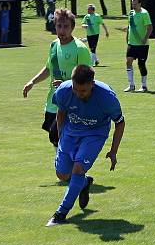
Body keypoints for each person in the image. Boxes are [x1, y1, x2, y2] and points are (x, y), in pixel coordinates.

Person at [46, 65, 125, 226]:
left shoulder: (107, 97)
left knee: (78, 169)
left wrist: (113, 151)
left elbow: (120, 122)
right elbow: (61, 112)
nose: (78, 94)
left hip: (95, 133)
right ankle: (83, 182)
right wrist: (61, 136)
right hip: (71, 131)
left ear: (92, 84)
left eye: (83, 91)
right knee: (62, 175)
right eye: (75, 89)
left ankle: (61, 213)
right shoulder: (64, 90)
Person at [23, 8, 93, 148]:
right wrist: (33, 82)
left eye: (66, 26)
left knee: (63, 138)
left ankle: (66, 168)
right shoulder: (54, 45)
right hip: (53, 101)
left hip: (72, 103)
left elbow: (88, 78)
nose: (62, 30)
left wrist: (66, 84)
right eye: (59, 26)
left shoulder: (80, 49)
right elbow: (49, 68)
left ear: (72, 27)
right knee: (55, 139)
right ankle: (65, 168)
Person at [124, 0, 153, 92]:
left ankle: (144, 86)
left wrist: (145, 38)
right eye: (132, 3)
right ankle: (131, 85)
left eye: (135, 3)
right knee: (128, 62)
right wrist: (127, 36)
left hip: (142, 45)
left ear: (140, 3)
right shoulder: (131, 13)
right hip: (132, 43)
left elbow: (150, 27)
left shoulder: (144, 13)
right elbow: (129, 26)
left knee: (141, 64)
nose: (133, 5)